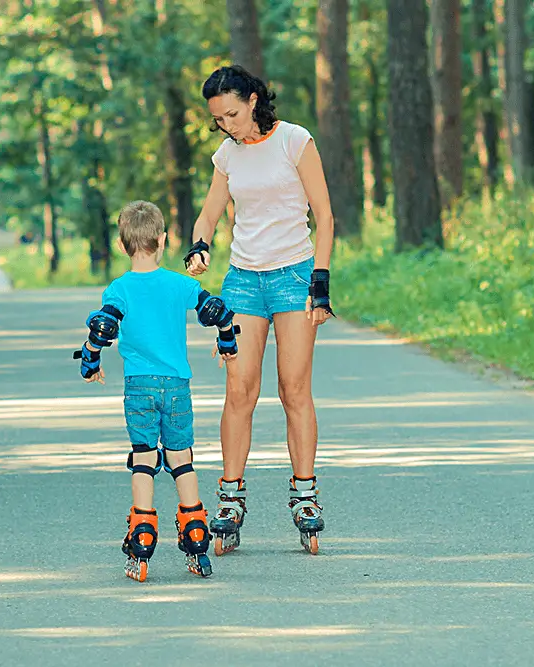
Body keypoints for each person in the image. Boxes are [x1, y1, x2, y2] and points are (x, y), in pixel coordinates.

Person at [185, 65, 336, 556]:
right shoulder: (227, 155)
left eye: (231, 113)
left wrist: (321, 282)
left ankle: (305, 495)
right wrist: (200, 245)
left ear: (253, 100)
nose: (225, 124)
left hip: (295, 275)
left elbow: (326, 214)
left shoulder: (295, 141)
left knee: (293, 388)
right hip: (244, 281)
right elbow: (209, 211)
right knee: (238, 389)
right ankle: (230, 499)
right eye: (217, 119)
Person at [74, 200, 241, 582]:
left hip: (139, 388)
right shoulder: (180, 284)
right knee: (181, 457)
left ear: (121, 245)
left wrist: (91, 361)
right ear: (163, 240)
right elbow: (216, 310)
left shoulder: (119, 289)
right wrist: (227, 343)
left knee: (144, 457)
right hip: (177, 386)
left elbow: (103, 327)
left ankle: (143, 533)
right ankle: (197, 535)